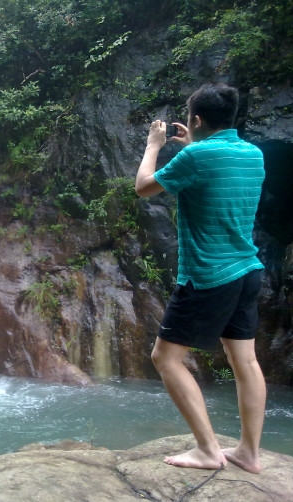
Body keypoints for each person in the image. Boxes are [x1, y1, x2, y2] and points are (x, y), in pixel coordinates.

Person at [135, 83, 266, 474]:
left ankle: (209, 451)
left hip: (208, 276)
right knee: (244, 359)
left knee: (166, 358)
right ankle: (249, 454)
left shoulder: (198, 157)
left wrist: (153, 145)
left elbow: (144, 188)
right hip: (247, 271)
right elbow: (212, 171)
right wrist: (194, 143)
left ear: (195, 118)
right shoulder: (253, 154)